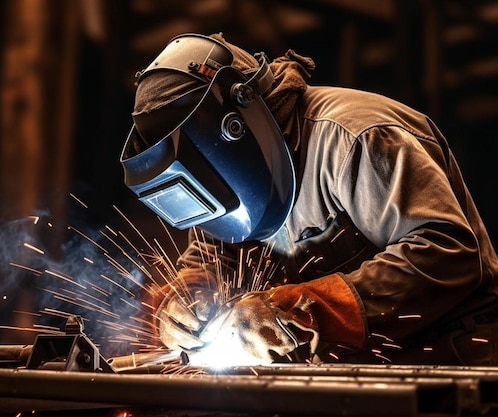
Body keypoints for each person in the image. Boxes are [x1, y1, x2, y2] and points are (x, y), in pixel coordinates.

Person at [119, 32, 498, 366]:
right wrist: (189, 294)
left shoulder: (357, 138)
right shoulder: (220, 181)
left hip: (453, 359)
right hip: (355, 374)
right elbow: (215, 255)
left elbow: (450, 252)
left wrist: (300, 310)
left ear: (236, 129)